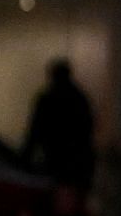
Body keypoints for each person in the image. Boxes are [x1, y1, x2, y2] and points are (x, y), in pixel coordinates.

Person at [20, 59, 96, 190]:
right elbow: (88, 129)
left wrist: (24, 158)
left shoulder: (48, 99)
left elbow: (35, 130)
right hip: (75, 163)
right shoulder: (79, 99)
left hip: (56, 161)